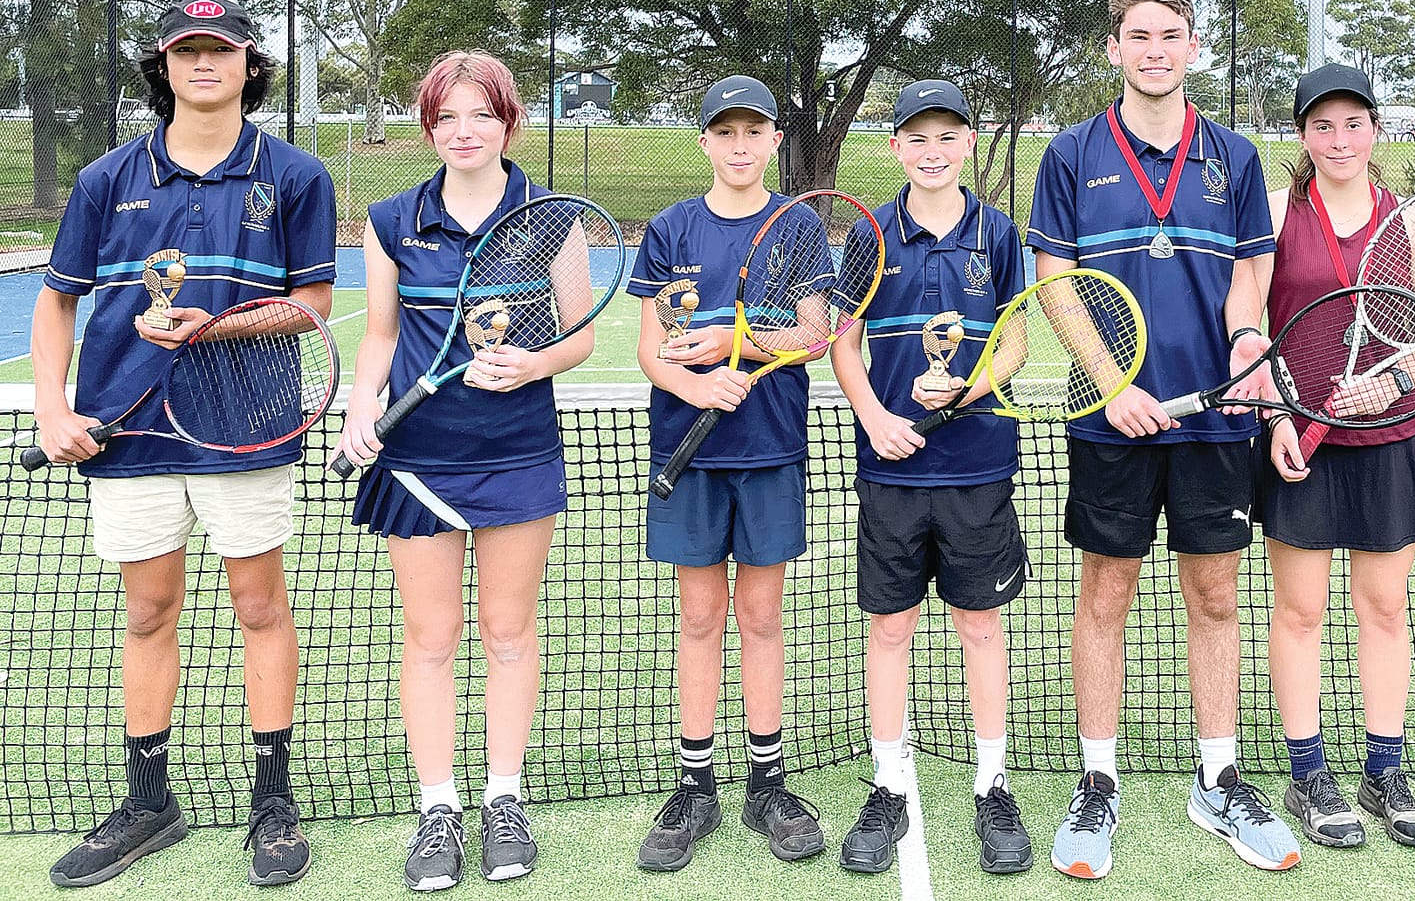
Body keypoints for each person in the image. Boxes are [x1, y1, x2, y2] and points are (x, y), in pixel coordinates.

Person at [37, 0, 334, 888]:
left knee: (259, 609)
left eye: (221, 49)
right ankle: (148, 803)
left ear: (251, 64)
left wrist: (220, 328)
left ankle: (271, 800)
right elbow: (59, 300)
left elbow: (311, 306)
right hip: (123, 437)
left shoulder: (297, 176)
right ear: (162, 69)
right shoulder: (103, 179)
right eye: (185, 51)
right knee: (147, 614)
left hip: (246, 427)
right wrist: (54, 410)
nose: (204, 64)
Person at [1027, 0, 1299, 878]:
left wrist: (1248, 343)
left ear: (1191, 48)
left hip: (1216, 421)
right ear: (1113, 49)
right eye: (1138, 34)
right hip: (1111, 423)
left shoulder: (1236, 157)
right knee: (1106, 595)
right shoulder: (1069, 154)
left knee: (1216, 598)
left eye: (1170, 34)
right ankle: (1097, 781)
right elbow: (1055, 281)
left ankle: (1218, 776)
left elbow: (1250, 276)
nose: (1154, 48)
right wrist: (1109, 386)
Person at [337, 50, 583, 891]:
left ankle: (503, 800)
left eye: (480, 113)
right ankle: (437, 808)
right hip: (418, 463)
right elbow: (378, 335)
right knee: (431, 639)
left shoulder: (552, 218)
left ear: (507, 121)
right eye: (447, 116)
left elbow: (578, 337)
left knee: (509, 636)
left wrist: (531, 364)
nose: (463, 130)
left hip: (517, 453)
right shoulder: (389, 219)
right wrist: (362, 405)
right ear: (429, 126)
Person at [828, 80, 1033, 875]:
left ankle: (992, 783)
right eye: (917, 138)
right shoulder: (871, 233)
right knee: (890, 629)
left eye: (948, 136)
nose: (933, 151)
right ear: (895, 149)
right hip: (891, 469)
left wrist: (973, 387)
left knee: (981, 626)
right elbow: (845, 342)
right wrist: (874, 420)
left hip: (978, 464)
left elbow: (1015, 339)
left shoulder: (1000, 233)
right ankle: (886, 785)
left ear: (970, 143)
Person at [628, 76, 826, 872]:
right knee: (700, 618)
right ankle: (697, 783)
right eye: (725, 131)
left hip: (770, 449)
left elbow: (814, 336)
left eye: (755, 131)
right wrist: (696, 382)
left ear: (776, 140)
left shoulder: (801, 225)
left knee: (761, 617)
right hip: (688, 448)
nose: (740, 145)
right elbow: (651, 347)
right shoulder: (672, 228)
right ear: (704, 141)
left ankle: (767, 783)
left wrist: (736, 343)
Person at [1257, 63, 1415, 850]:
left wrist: (1395, 379)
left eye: (1354, 124)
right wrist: (1275, 414)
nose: (1339, 139)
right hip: (1298, 440)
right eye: (1323, 126)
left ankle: (1384, 769)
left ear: (1377, 130)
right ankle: (1309, 774)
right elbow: (1250, 323)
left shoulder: (1413, 223)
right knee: (1300, 613)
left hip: (1392, 441)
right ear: (1303, 135)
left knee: (1385, 609)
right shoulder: (1273, 214)